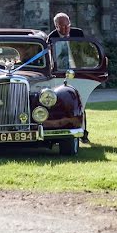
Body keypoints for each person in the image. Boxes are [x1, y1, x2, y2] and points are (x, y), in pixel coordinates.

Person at [46, 12, 89, 143]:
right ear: (56, 26)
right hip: (61, 74)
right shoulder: (51, 37)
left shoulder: (78, 33)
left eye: (67, 25)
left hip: (78, 72)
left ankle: (84, 133)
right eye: (61, 26)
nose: (65, 29)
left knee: (82, 102)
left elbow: (85, 51)